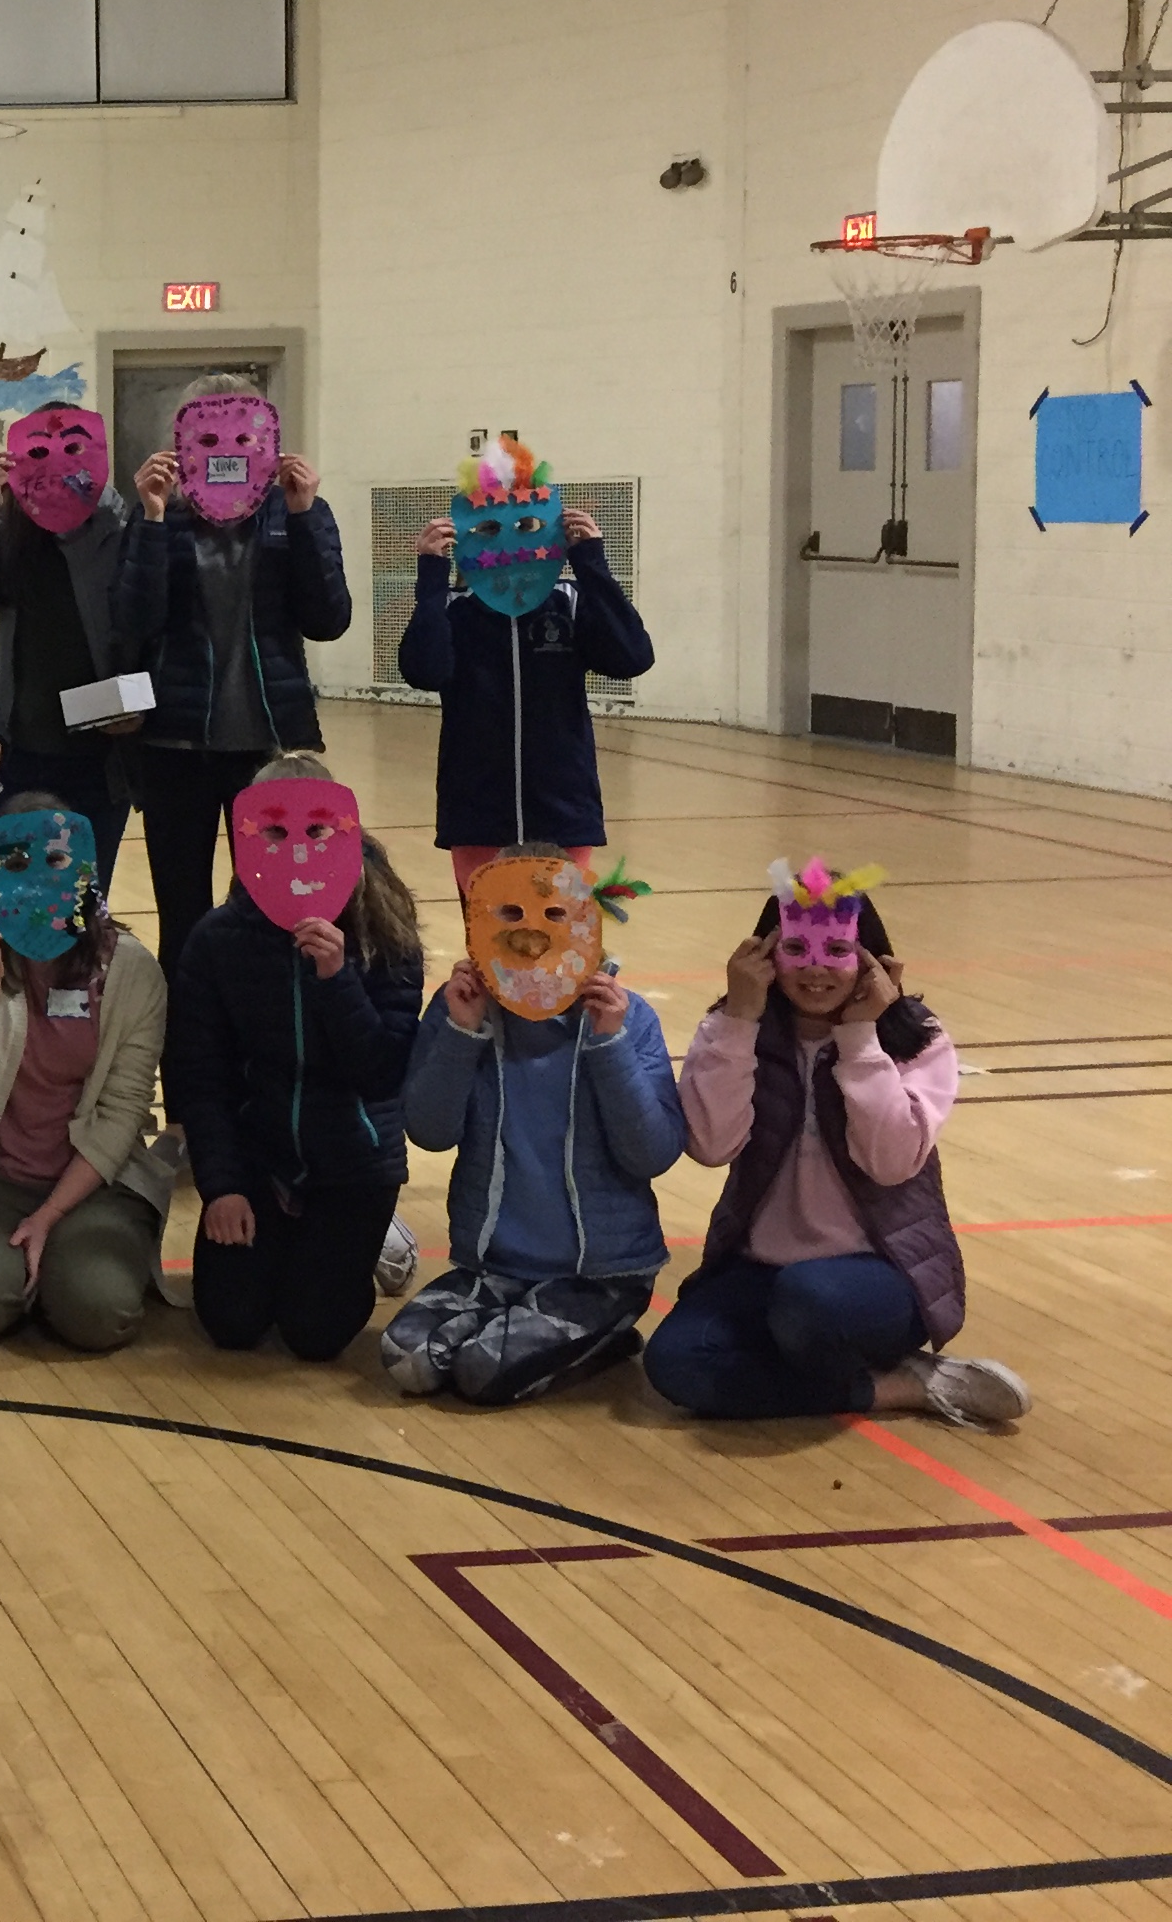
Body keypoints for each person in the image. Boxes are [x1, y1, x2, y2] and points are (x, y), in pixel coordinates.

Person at [646, 862, 1029, 1427]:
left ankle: (826, 1361)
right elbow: (710, 1145)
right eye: (795, 948)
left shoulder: (916, 1039)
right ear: (765, 953)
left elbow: (891, 1162)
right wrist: (740, 1019)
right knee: (676, 1363)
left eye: (837, 951)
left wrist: (860, 1038)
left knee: (810, 1304)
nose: (816, 968)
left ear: (870, 959)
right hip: (760, 1270)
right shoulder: (734, 1029)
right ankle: (897, 1386)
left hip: (879, 1275)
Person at [385, 846, 684, 1405]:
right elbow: (430, 1131)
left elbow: (653, 1153)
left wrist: (610, 1044)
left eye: (555, 915)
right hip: (493, 1267)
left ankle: (605, 1334)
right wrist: (461, 1033)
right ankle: (542, 1332)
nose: (531, 933)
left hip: (598, 1274)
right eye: (509, 913)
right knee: (407, 1357)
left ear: (587, 922)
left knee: (482, 1371)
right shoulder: (461, 1010)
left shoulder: (628, 1018)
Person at [167, 752, 423, 1363]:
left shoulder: (384, 933)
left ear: (344, 834)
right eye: (274, 834)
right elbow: (200, 1077)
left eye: (315, 833)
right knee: (232, 1321)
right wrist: (223, 1186)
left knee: (315, 1333)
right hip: (260, 1157)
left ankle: (376, 1235)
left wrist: (337, 981)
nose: (296, 852)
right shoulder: (216, 941)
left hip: (353, 1162)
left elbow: (382, 1073)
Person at [0, 796, 174, 1351]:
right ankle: (17, 1274)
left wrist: (50, 1216)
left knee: (97, 1311)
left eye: (56, 861)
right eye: (14, 864)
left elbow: (121, 1116)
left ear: (85, 868)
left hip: (95, 1183)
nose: (36, 878)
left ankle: (56, 1271)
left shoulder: (132, 970)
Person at [113, 377, 351, 966]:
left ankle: (257, 1023)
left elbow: (328, 620)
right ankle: (186, 1024)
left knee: (273, 912)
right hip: (175, 747)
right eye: (207, 438)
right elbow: (134, 620)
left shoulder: (294, 513)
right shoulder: (159, 517)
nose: (226, 451)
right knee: (182, 915)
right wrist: (151, 519)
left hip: (266, 748)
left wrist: (304, 516)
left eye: (243, 438)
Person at [396, 437, 653, 891]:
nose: (509, 541)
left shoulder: (569, 602)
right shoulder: (452, 610)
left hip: (563, 809)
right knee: (488, 933)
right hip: (477, 813)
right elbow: (424, 670)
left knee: (560, 929)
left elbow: (631, 657)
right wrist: (431, 580)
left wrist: (592, 565)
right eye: (488, 529)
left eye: (528, 525)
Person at [0, 404, 141, 895]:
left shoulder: (117, 531)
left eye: (73, 451)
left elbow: (151, 623)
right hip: (15, 751)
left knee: (79, 903)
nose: (56, 467)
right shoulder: (9, 532)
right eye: (38, 455)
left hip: (98, 757)